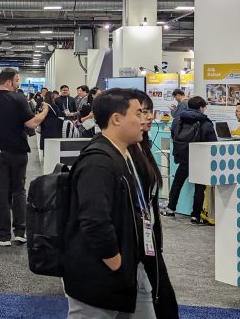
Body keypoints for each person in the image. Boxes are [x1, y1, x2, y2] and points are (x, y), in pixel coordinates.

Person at [63, 88, 153, 318]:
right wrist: (117, 264)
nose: (144, 120)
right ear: (116, 119)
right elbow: (94, 221)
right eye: (138, 113)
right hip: (99, 276)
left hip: (127, 270)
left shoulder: (122, 154)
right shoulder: (98, 162)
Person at [0, 68, 49, 246]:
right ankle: (20, 232)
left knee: (0, 193)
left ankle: (3, 236)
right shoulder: (19, 98)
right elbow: (31, 123)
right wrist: (44, 111)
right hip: (19, 153)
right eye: (17, 80)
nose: (18, 83)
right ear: (9, 81)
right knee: (19, 191)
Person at [129, 90, 180, 319]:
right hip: (135, 245)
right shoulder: (121, 152)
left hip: (149, 240)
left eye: (149, 111)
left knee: (161, 300)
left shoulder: (143, 144)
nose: (148, 117)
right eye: (142, 112)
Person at [164, 96, 218, 224]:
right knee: (199, 187)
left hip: (182, 157)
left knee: (177, 183)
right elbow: (212, 142)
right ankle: (195, 215)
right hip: (200, 158)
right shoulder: (205, 122)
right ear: (200, 107)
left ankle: (171, 208)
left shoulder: (178, 120)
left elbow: (173, 135)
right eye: (204, 107)